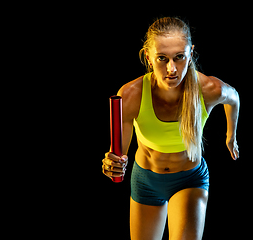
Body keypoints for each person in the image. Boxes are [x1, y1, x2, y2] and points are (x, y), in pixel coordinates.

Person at [102, 17, 240, 240]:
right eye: (162, 58)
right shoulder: (130, 95)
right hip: (145, 181)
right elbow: (118, 155)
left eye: (179, 57)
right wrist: (113, 164)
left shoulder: (209, 89)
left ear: (191, 53)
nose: (172, 69)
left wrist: (231, 136)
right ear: (148, 57)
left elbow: (234, 98)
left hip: (190, 180)